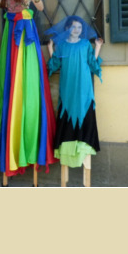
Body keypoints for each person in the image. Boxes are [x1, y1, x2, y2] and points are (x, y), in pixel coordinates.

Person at [0, 0, 56, 178]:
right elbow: (10, 7)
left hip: (23, 34)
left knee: (21, 74)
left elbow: (40, 7)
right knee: (9, 74)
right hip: (11, 31)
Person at [45, 16, 103, 168]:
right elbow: (55, 64)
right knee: (67, 112)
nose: (77, 30)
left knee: (85, 112)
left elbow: (92, 63)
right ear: (67, 28)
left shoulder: (85, 44)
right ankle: (67, 151)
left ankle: (84, 147)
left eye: (79, 27)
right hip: (68, 86)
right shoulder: (62, 45)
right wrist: (50, 49)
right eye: (73, 27)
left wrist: (97, 47)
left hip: (84, 86)